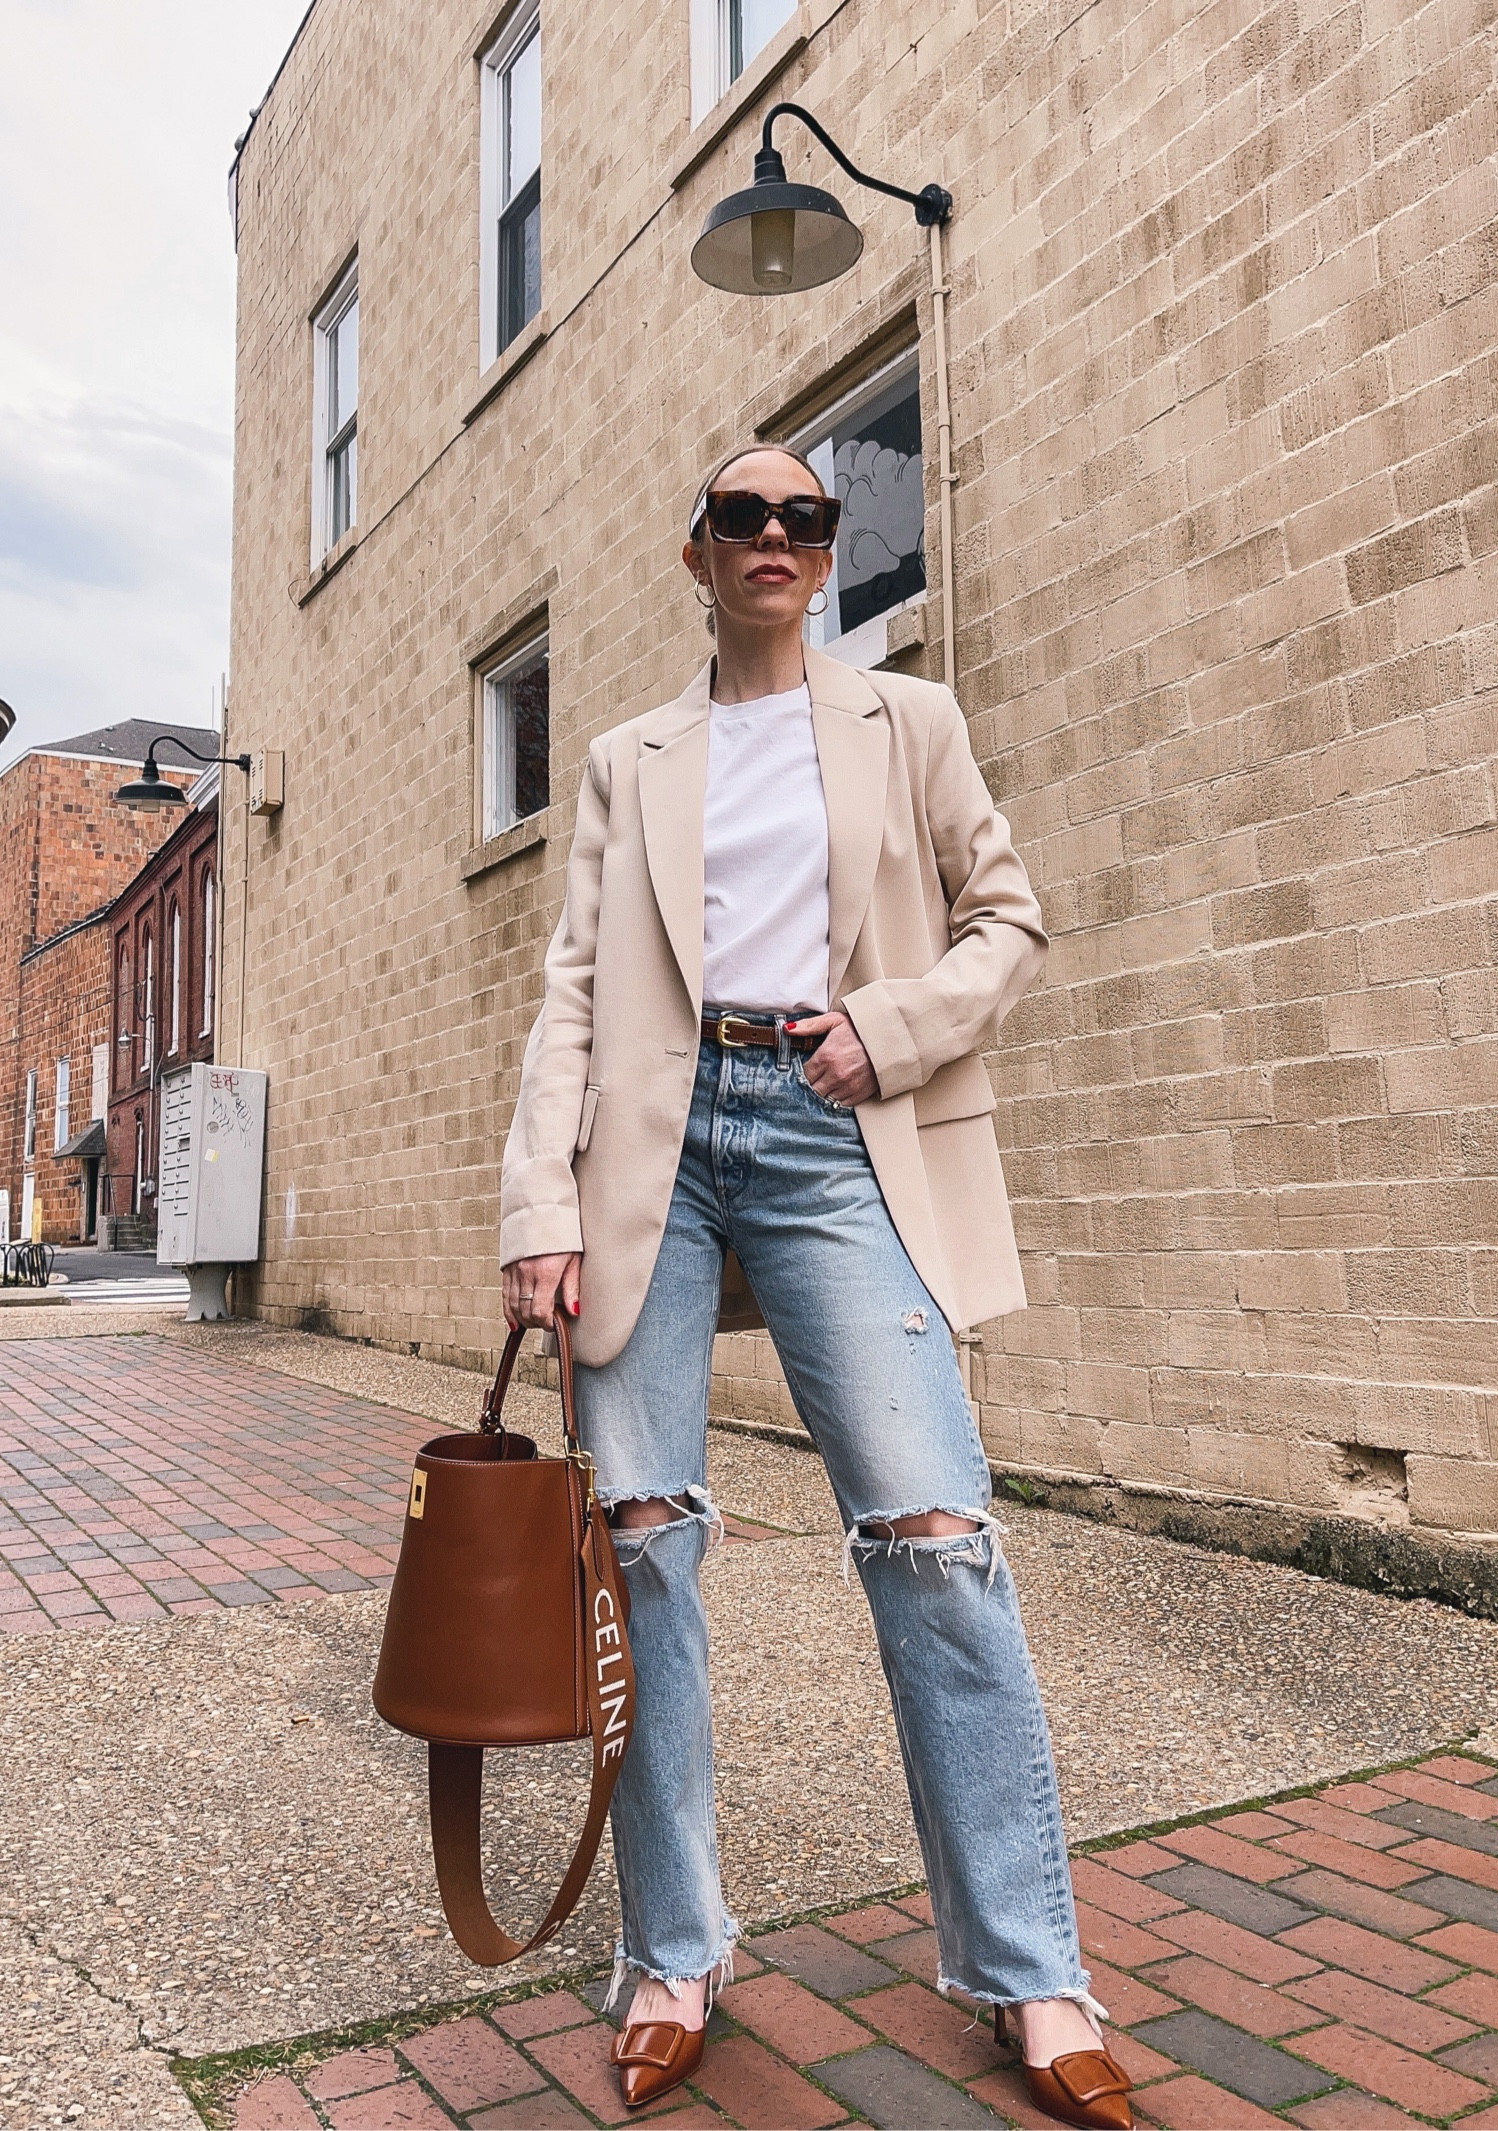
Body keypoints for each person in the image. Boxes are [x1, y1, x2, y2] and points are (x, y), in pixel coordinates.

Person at [499, 443, 1132, 2128]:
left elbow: (1010, 922)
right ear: (694, 550)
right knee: (644, 1550)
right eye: (741, 518)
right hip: (655, 1145)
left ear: (826, 552)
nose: (776, 538)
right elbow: (571, 992)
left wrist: (892, 1025)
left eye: (806, 518)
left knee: (939, 1540)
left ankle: (1029, 1965)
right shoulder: (632, 758)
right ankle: (674, 1954)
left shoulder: (903, 722)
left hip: (834, 1128)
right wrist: (531, 1209)